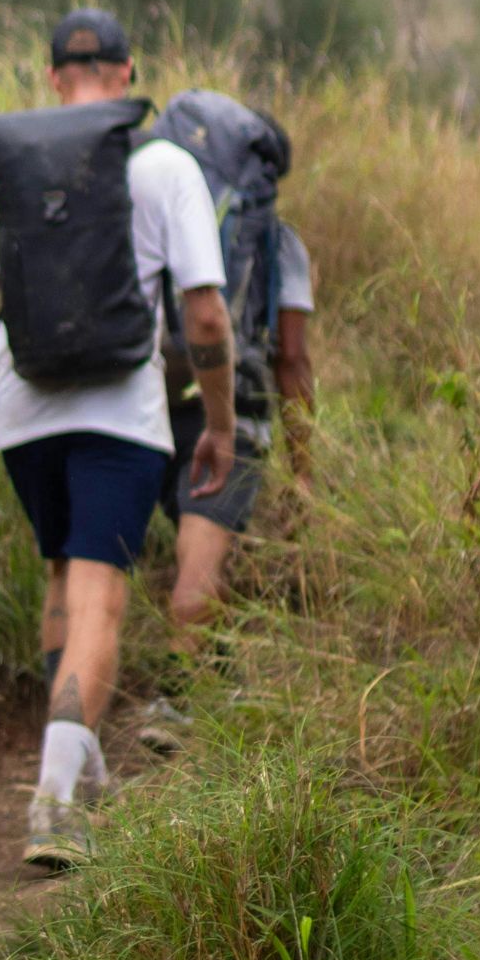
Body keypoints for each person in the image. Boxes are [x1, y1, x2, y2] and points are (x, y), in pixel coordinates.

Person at [0, 8, 237, 869]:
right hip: (119, 413)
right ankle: (56, 801)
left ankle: (80, 762)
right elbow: (206, 312)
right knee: (101, 599)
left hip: (24, 410)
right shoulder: (162, 165)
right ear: (127, 72)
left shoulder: (8, 166)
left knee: (62, 579)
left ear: (50, 79)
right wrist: (217, 423)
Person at [148, 222, 315, 740]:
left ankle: (219, 682)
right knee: (202, 560)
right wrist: (302, 464)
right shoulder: (279, 239)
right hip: (236, 407)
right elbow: (290, 356)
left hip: (149, 405)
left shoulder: (158, 218)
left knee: (196, 549)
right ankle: (174, 702)